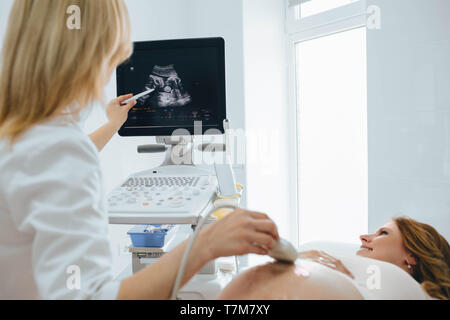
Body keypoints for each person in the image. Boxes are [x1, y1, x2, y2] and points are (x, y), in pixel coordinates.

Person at [0, 0, 279, 299]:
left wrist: (112, 124)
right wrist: (205, 245)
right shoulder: (60, 148)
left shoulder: (18, 135)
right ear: (88, 52)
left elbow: (48, 168)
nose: (108, 73)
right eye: (111, 54)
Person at [219, 217, 450, 300]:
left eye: (383, 233)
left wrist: (348, 282)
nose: (364, 236)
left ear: (412, 256)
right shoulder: (370, 276)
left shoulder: (416, 293)